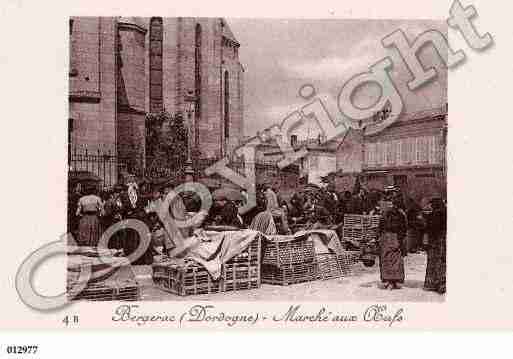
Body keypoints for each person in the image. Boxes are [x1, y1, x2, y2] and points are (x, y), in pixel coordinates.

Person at [377, 195, 407, 289]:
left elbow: (380, 225)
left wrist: (378, 235)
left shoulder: (385, 213)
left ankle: (388, 280)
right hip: (395, 237)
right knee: (395, 258)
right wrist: (401, 237)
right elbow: (404, 227)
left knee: (387, 257)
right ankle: (395, 280)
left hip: (387, 236)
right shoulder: (401, 214)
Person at [423, 198, 447, 294]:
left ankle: (432, 283)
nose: (430, 206)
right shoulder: (445, 213)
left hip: (435, 241)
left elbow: (430, 227)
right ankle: (441, 283)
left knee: (434, 261)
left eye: (432, 204)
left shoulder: (434, 215)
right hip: (442, 241)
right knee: (441, 261)